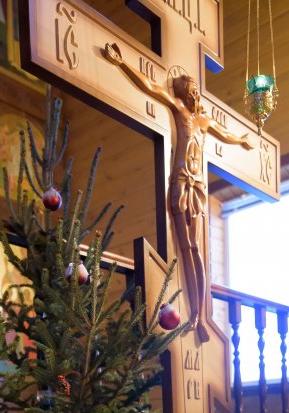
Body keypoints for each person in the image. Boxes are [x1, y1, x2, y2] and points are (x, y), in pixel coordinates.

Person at [103, 42, 253, 343]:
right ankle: (195, 313)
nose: (195, 94)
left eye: (196, 90)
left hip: (198, 185)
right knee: (186, 247)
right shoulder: (179, 109)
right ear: (183, 93)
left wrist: (241, 140)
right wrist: (122, 63)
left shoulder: (204, 121)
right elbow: (150, 86)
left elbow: (225, 134)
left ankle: (199, 313)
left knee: (197, 250)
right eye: (191, 90)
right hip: (182, 180)